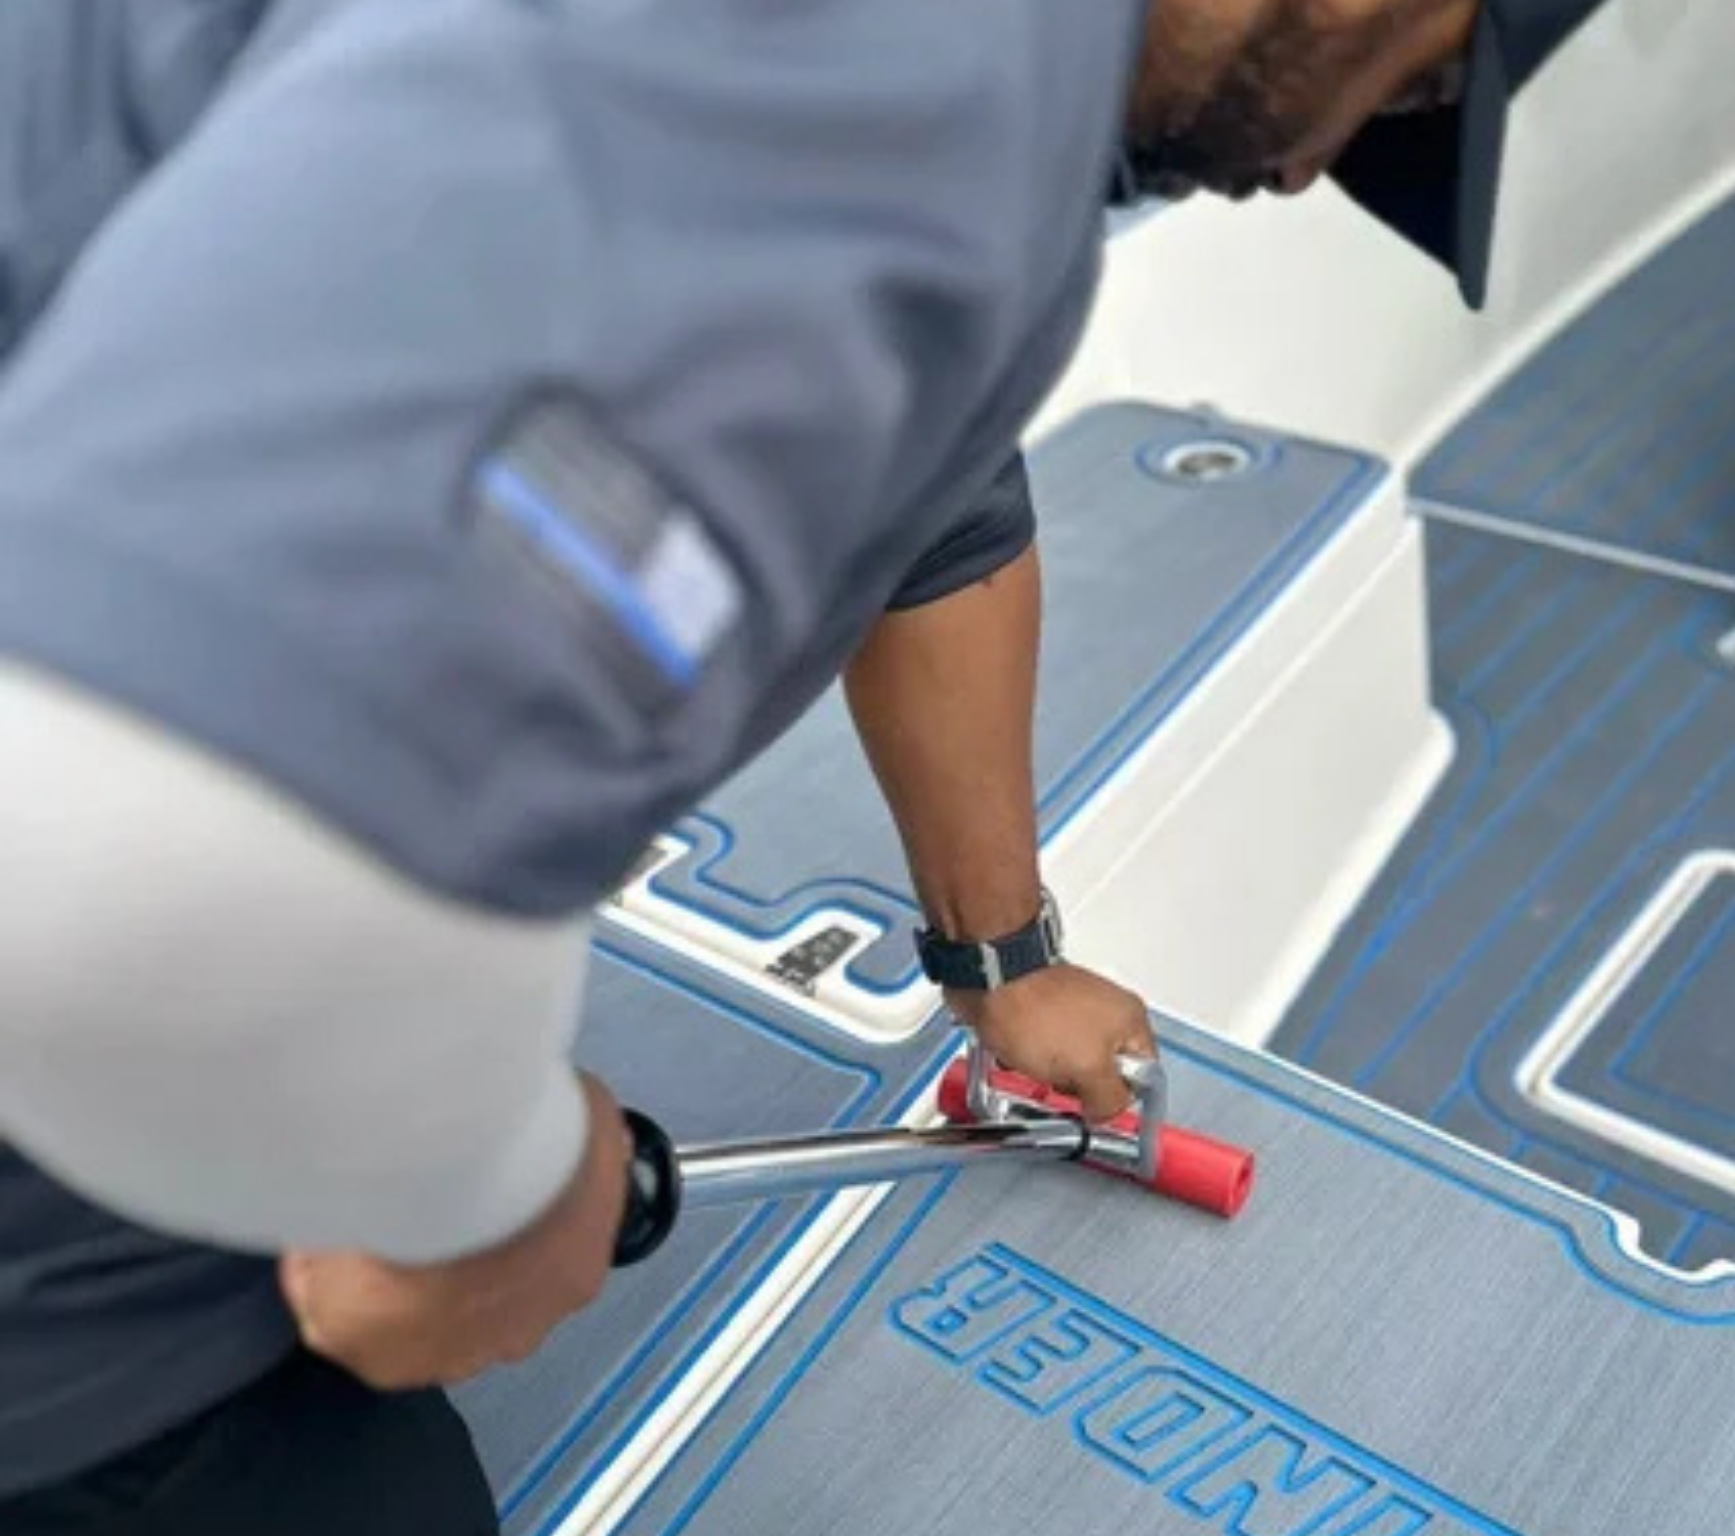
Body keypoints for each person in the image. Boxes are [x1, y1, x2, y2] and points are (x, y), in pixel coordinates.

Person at [0, 0, 1601, 1530]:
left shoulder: (936, 93)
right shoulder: (881, 90)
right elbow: (158, 822)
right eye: (1416, 83)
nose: (1316, 161)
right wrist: (479, 1200)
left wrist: (1004, 961)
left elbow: (926, 506)